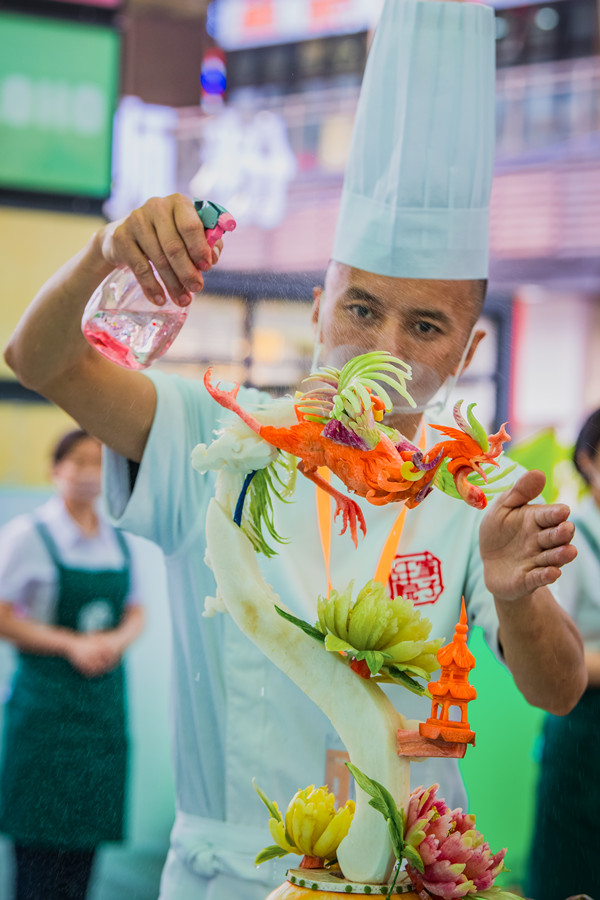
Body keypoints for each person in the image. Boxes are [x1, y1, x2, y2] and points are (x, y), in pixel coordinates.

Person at [4, 0, 586, 897]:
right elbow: (36, 357)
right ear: (317, 305)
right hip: (225, 876)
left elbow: (557, 688)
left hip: (410, 876)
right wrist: (106, 252)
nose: (383, 348)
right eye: (360, 308)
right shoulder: (217, 432)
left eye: (425, 325)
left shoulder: (485, 488)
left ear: (468, 353)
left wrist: (516, 596)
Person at [0, 429, 145, 900]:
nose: (87, 473)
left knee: (83, 858)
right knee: (38, 862)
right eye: (77, 462)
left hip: (100, 717)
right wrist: (70, 645)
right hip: (44, 715)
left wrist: (116, 642)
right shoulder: (28, 535)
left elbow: (137, 610)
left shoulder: (118, 540)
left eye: (96, 462)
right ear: (55, 470)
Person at [526, 409, 600, 900]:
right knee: (570, 877)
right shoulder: (568, 533)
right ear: (589, 460)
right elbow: (554, 655)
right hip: (582, 735)